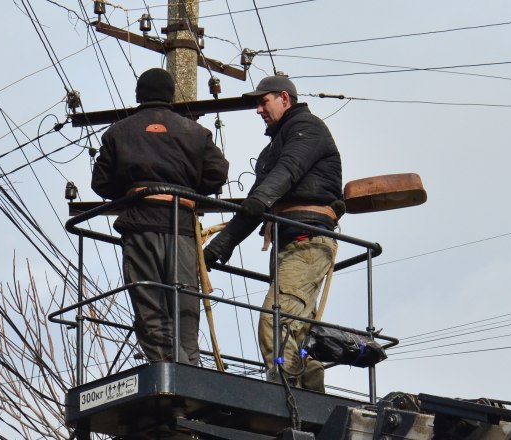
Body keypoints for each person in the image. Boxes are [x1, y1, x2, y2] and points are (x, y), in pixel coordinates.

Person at [203, 75, 343, 391]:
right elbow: (255, 205)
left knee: (275, 320)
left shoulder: (307, 128)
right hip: (291, 243)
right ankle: (311, 399)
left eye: (263, 101)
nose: (258, 110)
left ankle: (284, 396)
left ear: (284, 98)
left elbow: (287, 171)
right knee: (298, 331)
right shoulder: (272, 150)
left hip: (307, 241)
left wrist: (260, 199)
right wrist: (218, 248)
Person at [91, 68, 229, 365]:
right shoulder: (195, 132)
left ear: (139, 95)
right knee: (185, 303)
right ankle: (189, 368)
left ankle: (170, 367)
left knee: (149, 303)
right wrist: (187, 191)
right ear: (170, 95)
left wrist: (132, 190)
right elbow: (218, 173)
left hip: (140, 224)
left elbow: (100, 183)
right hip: (182, 227)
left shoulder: (118, 132)